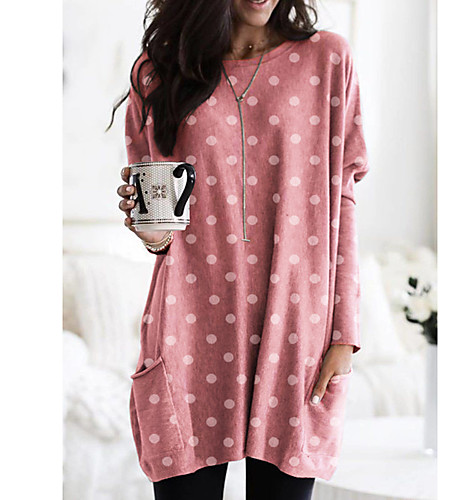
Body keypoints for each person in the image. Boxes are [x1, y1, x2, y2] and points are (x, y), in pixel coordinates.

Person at [111, 0, 370, 498]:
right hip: (189, 323)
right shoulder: (158, 71)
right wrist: (151, 234)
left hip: (294, 324)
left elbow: (343, 198)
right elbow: (161, 221)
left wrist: (344, 334)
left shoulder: (328, 59)